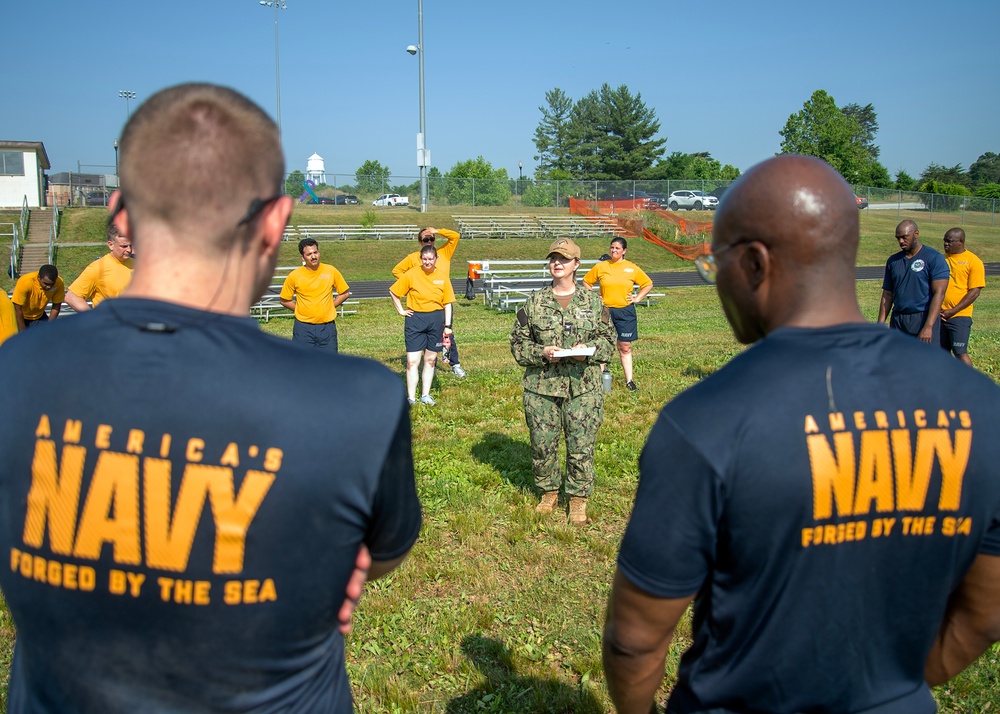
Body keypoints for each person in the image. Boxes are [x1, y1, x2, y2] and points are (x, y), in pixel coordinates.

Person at [0, 83, 422, 713]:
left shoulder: (17, 371)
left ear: (119, 213)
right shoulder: (360, 400)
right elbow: (379, 555)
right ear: (276, 223)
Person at [602, 155, 1000, 714]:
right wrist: (887, 690)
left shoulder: (704, 422)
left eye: (720, 265)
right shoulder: (984, 407)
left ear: (756, 263)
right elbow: (984, 613)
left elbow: (635, 638)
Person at [509, 238, 616, 525]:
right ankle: (549, 492)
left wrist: (588, 354)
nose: (557, 263)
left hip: (583, 386)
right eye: (554, 258)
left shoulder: (593, 303)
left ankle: (578, 499)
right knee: (542, 443)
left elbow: (609, 342)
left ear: (576, 265)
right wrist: (541, 352)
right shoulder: (534, 303)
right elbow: (518, 344)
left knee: (581, 444)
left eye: (564, 259)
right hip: (542, 387)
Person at [393, 226, 466, 378]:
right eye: (425, 239)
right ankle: (427, 363)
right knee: (425, 337)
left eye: (431, 238)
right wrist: (412, 285)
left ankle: (454, 363)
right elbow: (397, 271)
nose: (429, 241)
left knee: (447, 333)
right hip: (422, 307)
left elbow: (455, 236)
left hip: (442, 302)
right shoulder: (414, 257)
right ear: (420, 242)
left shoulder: (444, 252)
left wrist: (438, 231)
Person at [583, 237, 653, 391]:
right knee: (603, 344)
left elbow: (647, 284)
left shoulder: (631, 268)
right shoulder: (601, 266)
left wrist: (636, 298)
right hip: (605, 311)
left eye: (617, 248)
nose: (614, 251)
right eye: (612, 248)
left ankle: (629, 381)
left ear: (624, 251)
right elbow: (587, 282)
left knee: (625, 346)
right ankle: (598, 382)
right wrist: (594, 297)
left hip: (625, 311)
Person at [389, 244, 456, 406]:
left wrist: (447, 325)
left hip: (436, 320)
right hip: (415, 320)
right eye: (424, 259)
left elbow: (447, 303)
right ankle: (411, 398)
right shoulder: (411, 274)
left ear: (436, 259)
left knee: (431, 360)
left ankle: (425, 395)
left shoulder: (442, 276)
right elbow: (394, 292)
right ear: (421, 259)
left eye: (430, 259)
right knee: (412, 361)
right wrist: (401, 311)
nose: (427, 262)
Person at [877, 219, 949, 344]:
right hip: (899, 319)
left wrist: (928, 326)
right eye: (898, 238)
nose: (900, 241)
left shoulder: (933, 257)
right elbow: (887, 294)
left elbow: (939, 293)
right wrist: (880, 324)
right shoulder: (893, 261)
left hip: (923, 316)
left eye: (905, 237)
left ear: (916, 234)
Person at [279, 237, 351, 352]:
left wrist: (330, 306)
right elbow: (284, 300)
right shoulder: (294, 276)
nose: (313, 256)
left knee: (329, 363)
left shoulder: (330, 271)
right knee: (303, 363)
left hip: (327, 327)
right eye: (309, 254)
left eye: (315, 252)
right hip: (303, 329)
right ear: (302, 257)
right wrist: (300, 309)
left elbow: (344, 293)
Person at [940, 227, 986, 367]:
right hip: (939, 314)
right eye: (944, 241)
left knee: (960, 352)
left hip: (959, 316)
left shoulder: (973, 261)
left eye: (949, 241)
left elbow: (974, 292)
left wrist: (952, 311)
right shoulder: (941, 259)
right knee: (940, 352)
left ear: (960, 242)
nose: (945, 244)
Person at [64, 222, 135, 312]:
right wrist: (92, 317)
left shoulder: (137, 264)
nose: (129, 250)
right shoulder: (97, 268)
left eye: (130, 245)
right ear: (111, 245)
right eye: (124, 246)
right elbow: (71, 297)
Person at [11, 263, 64, 330]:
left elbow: (56, 305)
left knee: (50, 336)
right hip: (20, 317)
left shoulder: (59, 283)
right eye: (46, 284)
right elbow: (17, 309)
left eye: (52, 284)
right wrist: (23, 333)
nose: (48, 287)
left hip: (38, 317)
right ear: (38, 277)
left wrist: (49, 327)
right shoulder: (25, 282)